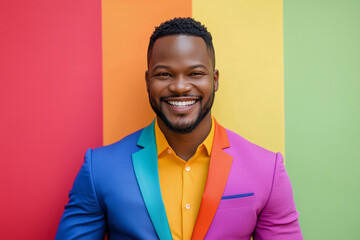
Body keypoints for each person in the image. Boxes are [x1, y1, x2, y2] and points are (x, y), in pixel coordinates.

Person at [56, 17, 303, 240]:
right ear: (147, 81)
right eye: (164, 75)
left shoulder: (267, 171)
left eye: (195, 73)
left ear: (214, 80)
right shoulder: (99, 169)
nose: (180, 87)